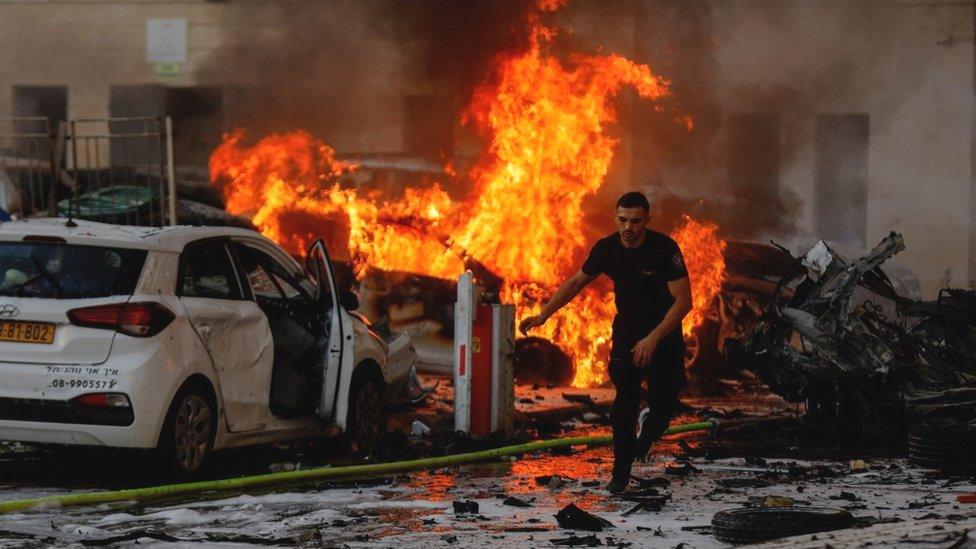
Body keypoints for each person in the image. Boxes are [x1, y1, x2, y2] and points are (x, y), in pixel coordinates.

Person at [519, 191, 692, 494]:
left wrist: (652, 339)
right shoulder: (607, 248)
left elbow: (683, 302)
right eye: (623, 220)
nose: (629, 227)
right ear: (616, 218)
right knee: (624, 402)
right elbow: (575, 282)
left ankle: (651, 425)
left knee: (665, 404)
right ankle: (620, 474)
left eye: (636, 221)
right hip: (627, 331)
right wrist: (543, 315)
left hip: (663, 335)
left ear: (646, 221)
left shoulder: (664, 249)